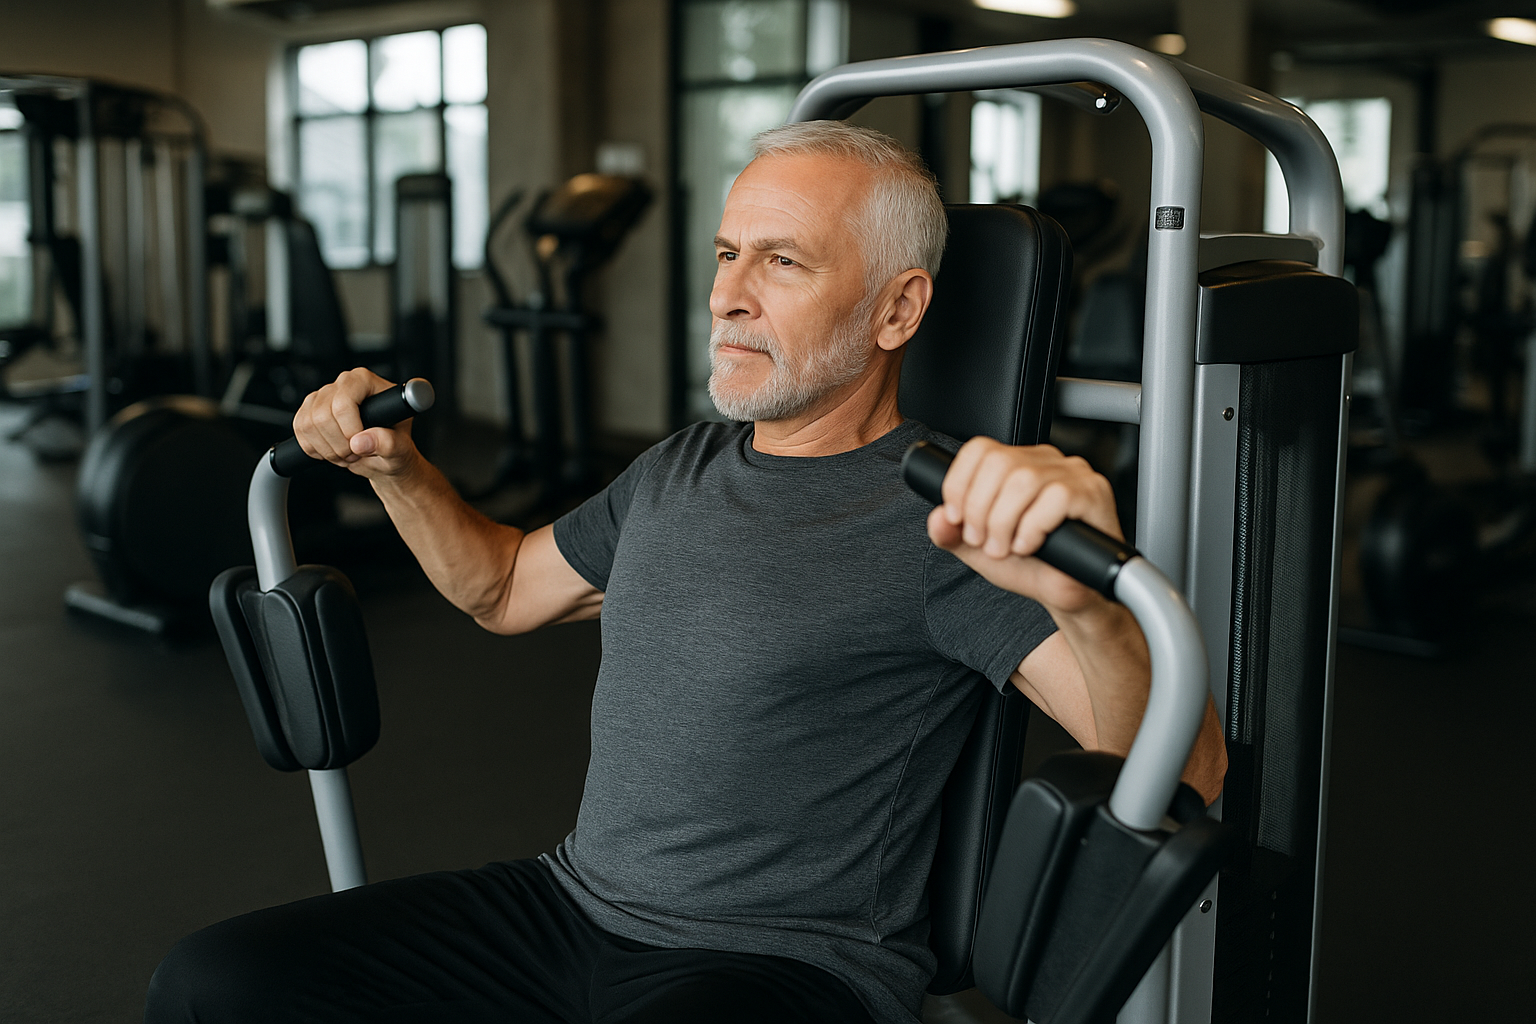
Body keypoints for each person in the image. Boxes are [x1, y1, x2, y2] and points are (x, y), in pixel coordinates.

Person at [145, 121, 1225, 1024]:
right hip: (564, 906)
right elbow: (505, 589)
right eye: (726, 254)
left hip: (774, 966)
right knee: (212, 983)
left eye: (782, 261)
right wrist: (398, 468)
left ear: (897, 310)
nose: (728, 296)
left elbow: (1190, 773)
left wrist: (1081, 599)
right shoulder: (679, 467)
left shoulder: (948, 520)